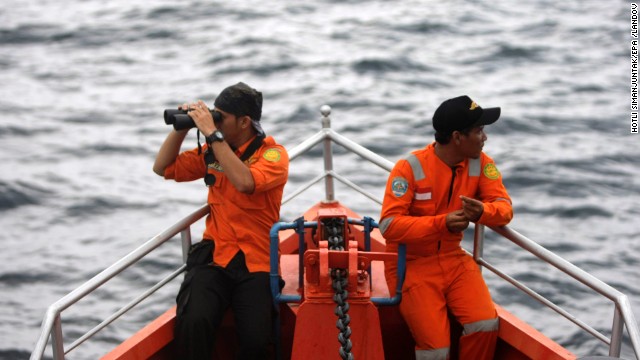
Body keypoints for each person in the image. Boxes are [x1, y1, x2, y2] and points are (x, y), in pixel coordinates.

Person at [153, 82, 289, 359]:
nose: (214, 121)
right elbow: (163, 168)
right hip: (216, 256)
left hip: (256, 261)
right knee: (193, 322)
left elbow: (244, 182)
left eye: (220, 116)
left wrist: (211, 133)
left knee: (256, 341)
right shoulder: (213, 152)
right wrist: (182, 129)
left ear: (244, 122)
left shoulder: (273, 155)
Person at [379, 95, 513, 360]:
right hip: (411, 265)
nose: (484, 137)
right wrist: (441, 223)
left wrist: (483, 212)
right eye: (479, 131)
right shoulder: (409, 168)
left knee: (485, 323)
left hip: (454, 260)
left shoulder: (482, 163)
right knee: (437, 350)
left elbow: (504, 208)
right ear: (457, 137)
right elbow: (389, 226)